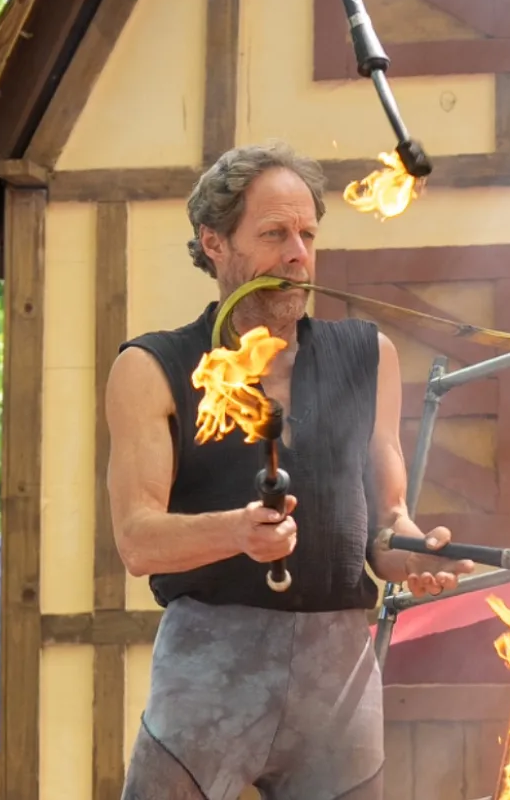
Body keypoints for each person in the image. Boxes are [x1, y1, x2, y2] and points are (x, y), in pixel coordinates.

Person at [106, 142, 475, 800]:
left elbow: (385, 526)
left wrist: (415, 554)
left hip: (336, 673)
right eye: (274, 234)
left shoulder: (370, 357)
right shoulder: (152, 367)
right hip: (209, 662)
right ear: (214, 242)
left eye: (307, 233)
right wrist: (238, 532)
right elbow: (138, 539)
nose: (298, 254)